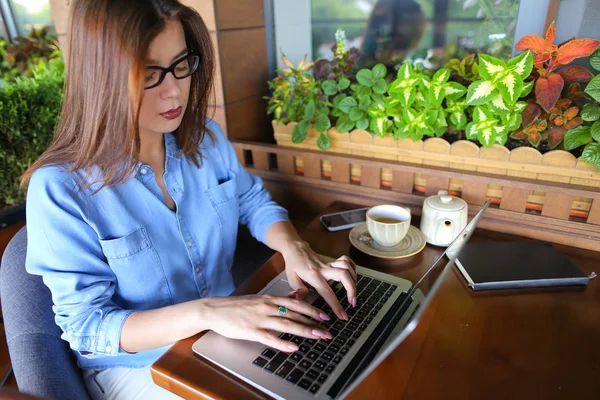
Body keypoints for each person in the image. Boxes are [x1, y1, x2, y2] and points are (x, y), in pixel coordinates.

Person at [21, 1, 357, 399]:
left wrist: (294, 247)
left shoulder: (206, 139)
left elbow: (251, 200)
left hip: (230, 330)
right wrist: (211, 311)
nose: (175, 89)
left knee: (338, 362)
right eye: (150, 73)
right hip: (142, 367)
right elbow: (89, 329)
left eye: (182, 64)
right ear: (102, 77)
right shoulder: (61, 189)